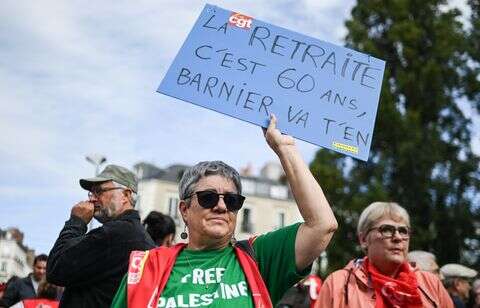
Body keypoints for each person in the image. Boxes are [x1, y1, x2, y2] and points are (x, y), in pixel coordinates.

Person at [111, 114, 338, 307]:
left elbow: (322, 225)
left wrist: (285, 149)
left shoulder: (258, 258)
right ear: (184, 209)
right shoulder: (147, 267)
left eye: (231, 200)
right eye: (208, 198)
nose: (220, 206)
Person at [46, 164, 156, 308]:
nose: (92, 199)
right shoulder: (141, 237)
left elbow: (56, 268)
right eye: (91, 193)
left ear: (126, 195)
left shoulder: (114, 234)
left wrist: (76, 222)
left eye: (99, 191)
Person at [317, 202, 453, 308]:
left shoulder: (430, 283)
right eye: (387, 230)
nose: (398, 237)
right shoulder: (338, 284)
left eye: (403, 231)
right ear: (364, 240)